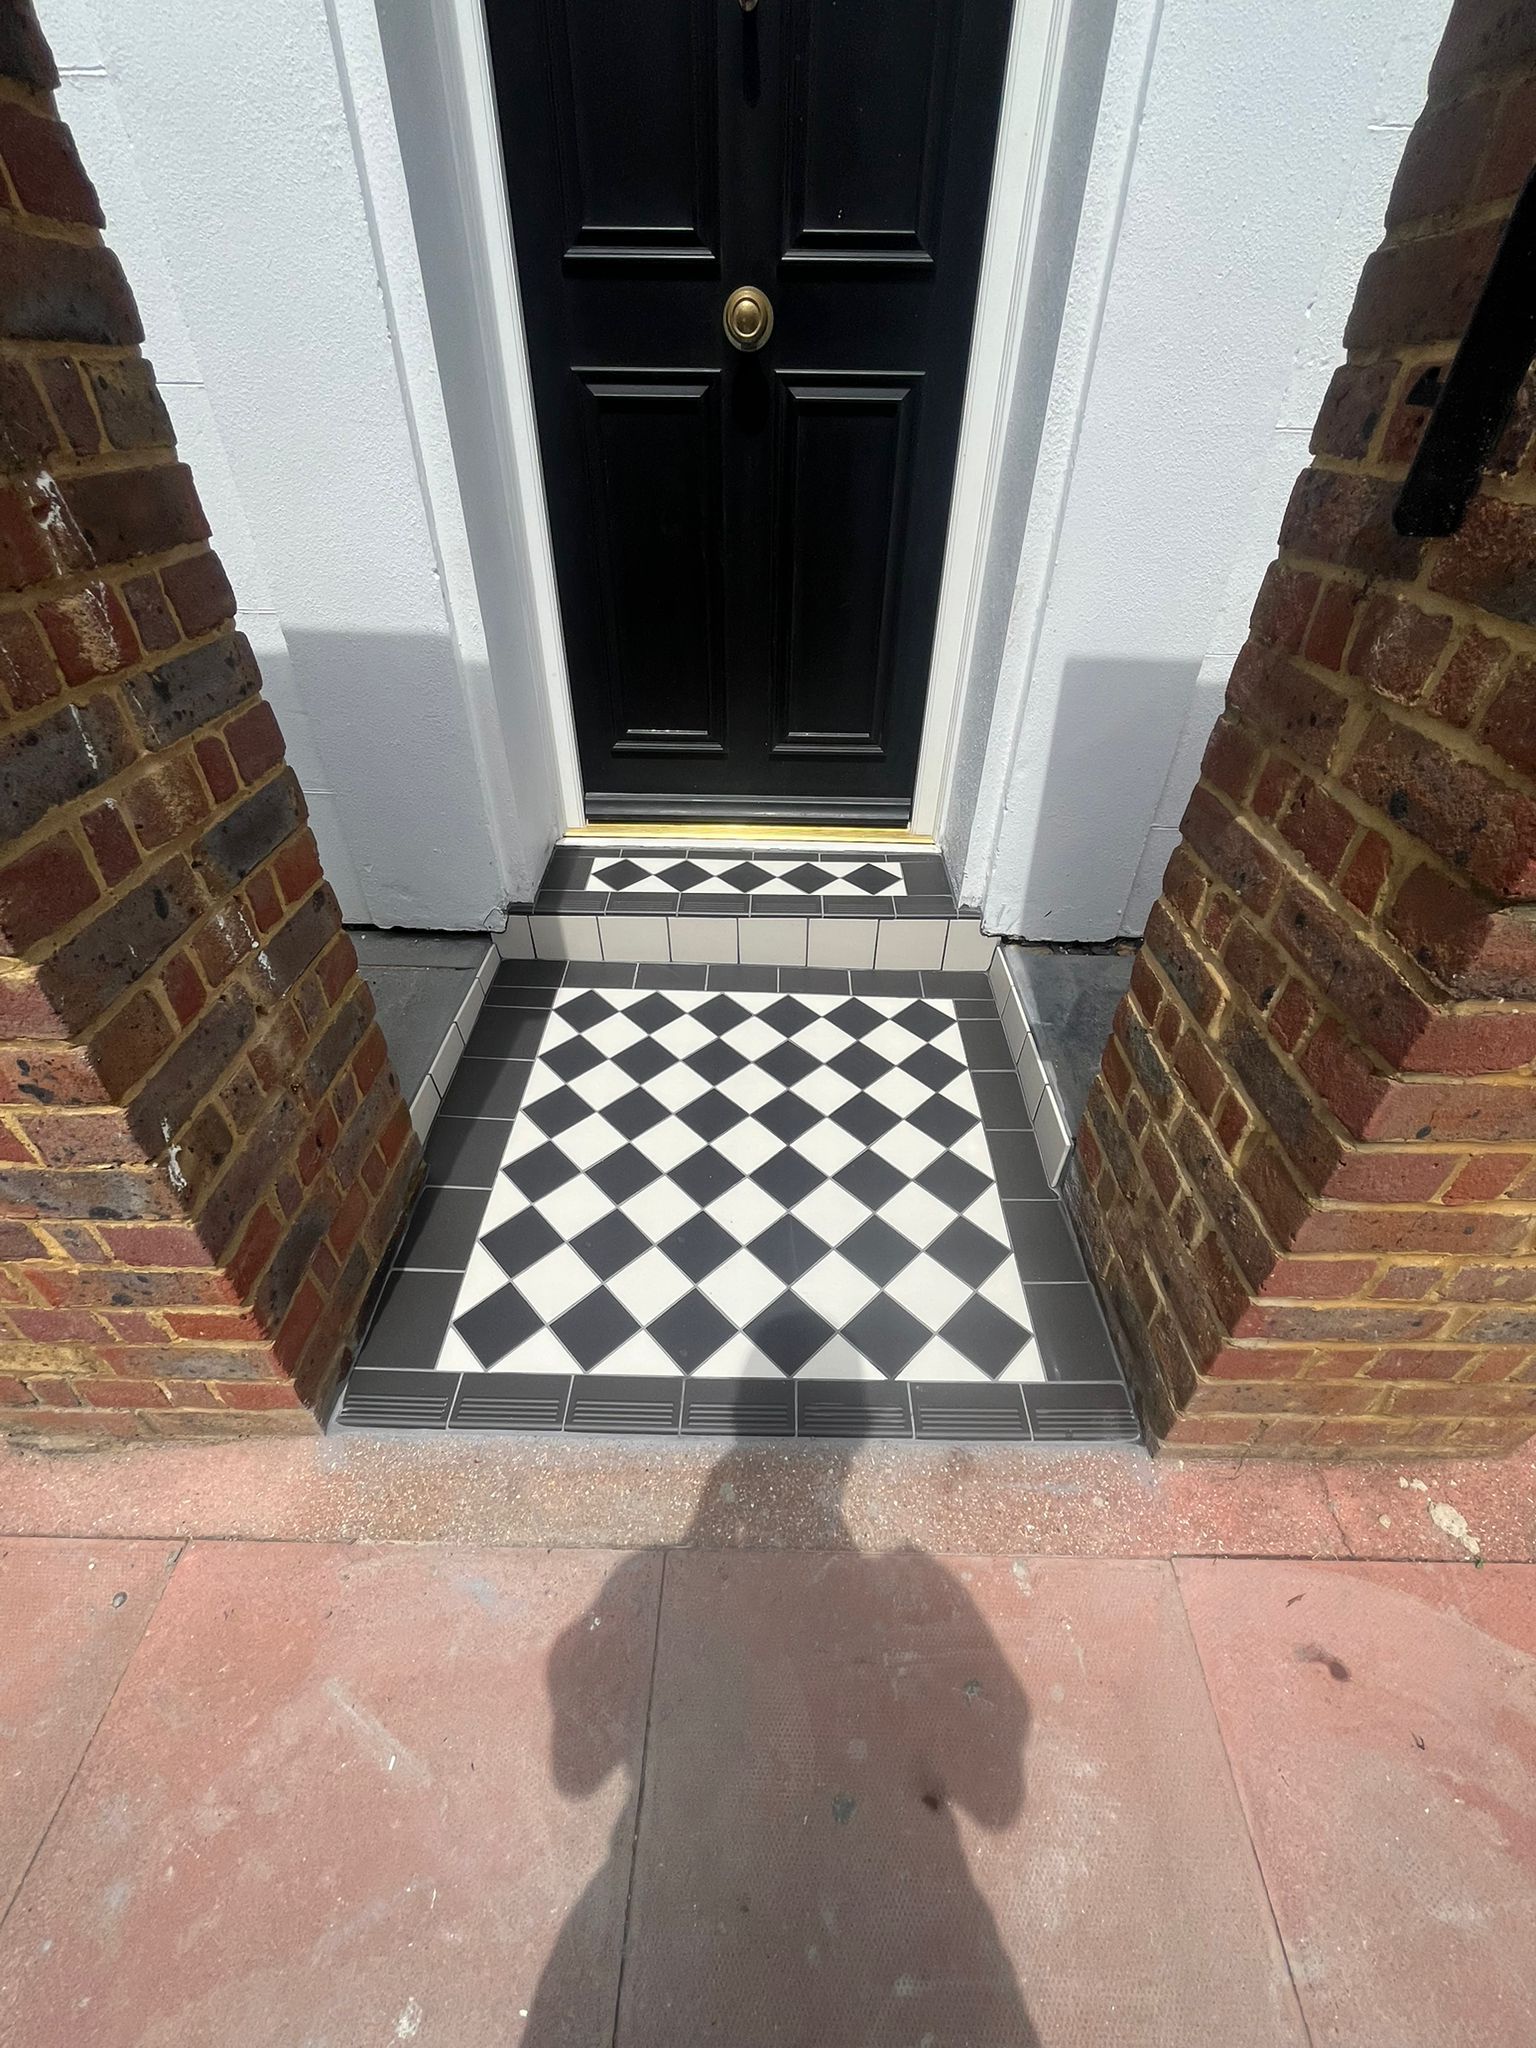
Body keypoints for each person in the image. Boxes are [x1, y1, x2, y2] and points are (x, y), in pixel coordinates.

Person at [521, 1444, 1038, 2047]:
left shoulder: (649, 1577)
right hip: (893, 1943)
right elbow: (999, 1802)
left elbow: (574, 1770)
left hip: (685, 1920)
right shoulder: (909, 1584)